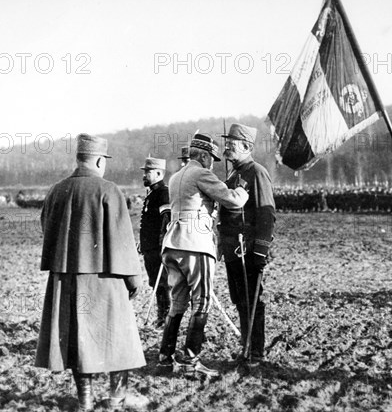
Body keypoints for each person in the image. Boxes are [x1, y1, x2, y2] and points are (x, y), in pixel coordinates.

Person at [35, 134, 148, 411]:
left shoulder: (56, 190)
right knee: (119, 340)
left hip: (67, 279)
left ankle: (84, 400)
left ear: (78, 158)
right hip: (106, 278)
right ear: (99, 160)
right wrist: (134, 280)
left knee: (77, 340)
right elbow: (122, 239)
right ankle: (115, 399)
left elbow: (46, 227)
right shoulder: (109, 191)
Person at [159, 133, 249, 376]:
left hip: (172, 245)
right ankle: (190, 361)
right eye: (211, 158)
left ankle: (164, 357)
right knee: (202, 301)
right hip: (195, 244)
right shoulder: (201, 173)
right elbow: (232, 201)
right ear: (202, 155)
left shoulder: (176, 176)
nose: (212, 163)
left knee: (177, 302)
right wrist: (241, 190)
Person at [218, 124, 276, 365]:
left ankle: (256, 353)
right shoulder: (233, 175)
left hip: (249, 249)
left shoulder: (257, 172)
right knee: (240, 300)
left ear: (247, 147)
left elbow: (267, 214)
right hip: (233, 249)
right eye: (227, 143)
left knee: (252, 301)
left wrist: (261, 249)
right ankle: (246, 348)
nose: (226, 148)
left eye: (231, 144)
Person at [139, 156, 171, 328]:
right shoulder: (151, 194)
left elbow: (166, 220)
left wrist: (162, 245)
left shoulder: (163, 193)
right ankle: (162, 316)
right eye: (144, 172)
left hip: (158, 248)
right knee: (155, 283)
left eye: (148, 172)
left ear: (159, 173)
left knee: (163, 283)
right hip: (149, 247)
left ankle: (165, 317)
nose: (144, 175)